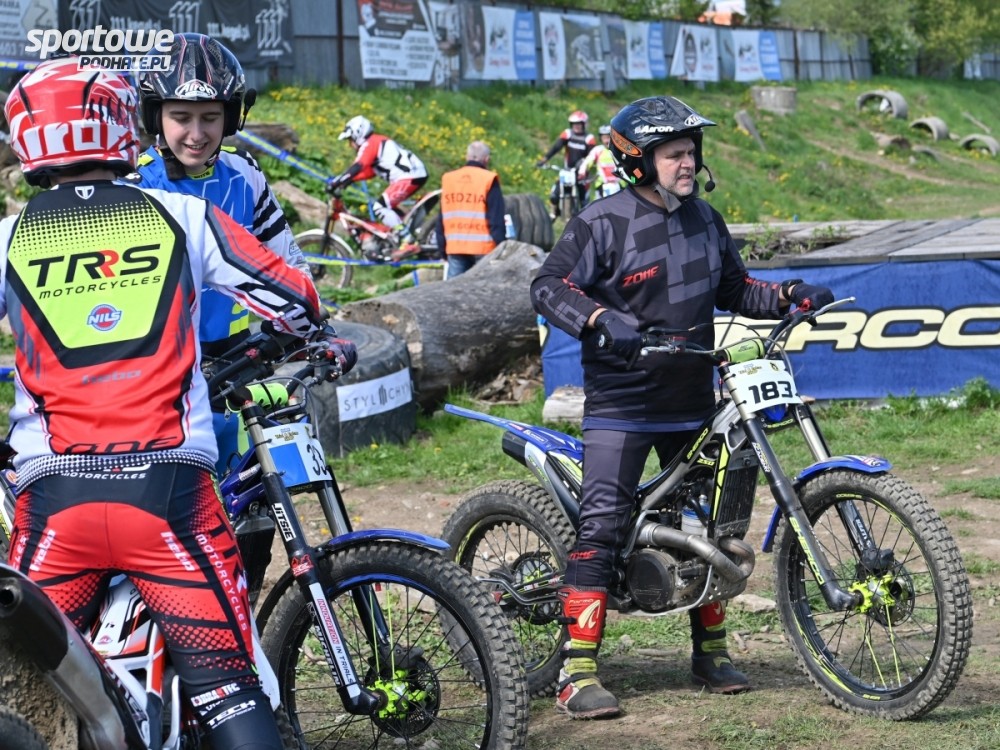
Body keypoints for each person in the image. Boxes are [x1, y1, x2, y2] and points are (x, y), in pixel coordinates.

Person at [1, 58, 356, 747]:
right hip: (168, 498)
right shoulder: (185, 216)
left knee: (29, 680)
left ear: (28, 141)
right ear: (125, 126)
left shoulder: (9, 237)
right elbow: (297, 298)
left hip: (54, 503)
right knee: (228, 688)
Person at [530, 95, 833, 720]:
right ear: (638, 161)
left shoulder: (705, 220)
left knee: (710, 526)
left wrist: (789, 294)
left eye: (691, 151)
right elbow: (547, 286)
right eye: (673, 153)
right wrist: (598, 318)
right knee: (602, 528)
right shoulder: (601, 222)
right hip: (622, 403)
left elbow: (737, 290)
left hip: (693, 399)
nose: (688, 162)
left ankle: (710, 653)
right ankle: (576, 672)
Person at [135, 32, 316, 475]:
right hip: (158, 371)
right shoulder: (133, 186)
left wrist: (313, 327)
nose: (197, 134)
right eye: (181, 117)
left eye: (211, 118)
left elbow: (288, 261)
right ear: (155, 116)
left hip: (235, 360)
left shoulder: (244, 174)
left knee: (253, 492)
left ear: (231, 117)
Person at [327, 115, 429, 258]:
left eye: (351, 140)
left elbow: (358, 166)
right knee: (388, 206)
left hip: (409, 176)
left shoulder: (370, 143)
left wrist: (338, 181)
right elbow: (368, 172)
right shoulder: (376, 143)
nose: (350, 145)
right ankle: (403, 232)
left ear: (358, 135)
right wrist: (346, 182)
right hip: (413, 175)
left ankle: (408, 240)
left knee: (380, 207)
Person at [437, 140, 506, 278]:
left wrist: (442, 248)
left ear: (466, 157)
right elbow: (495, 218)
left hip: (455, 247)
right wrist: (502, 247)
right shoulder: (488, 179)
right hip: (484, 249)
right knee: (485, 288)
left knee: (454, 289)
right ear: (487, 159)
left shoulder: (449, 179)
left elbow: (441, 217)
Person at [535, 110, 596, 218]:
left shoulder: (589, 138)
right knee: (554, 195)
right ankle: (553, 214)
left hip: (581, 173)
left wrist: (585, 167)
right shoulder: (567, 134)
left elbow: (592, 156)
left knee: (584, 201)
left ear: (584, 124)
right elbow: (556, 148)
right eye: (574, 124)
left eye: (579, 124)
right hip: (567, 170)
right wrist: (544, 159)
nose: (576, 126)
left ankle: (585, 221)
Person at [577, 125, 625, 202]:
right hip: (601, 185)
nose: (606, 141)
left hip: (620, 184)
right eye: (604, 138)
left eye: (608, 137)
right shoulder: (597, 150)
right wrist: (582, 171)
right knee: (597, 206)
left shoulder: (621, 150)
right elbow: (588, 161)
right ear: (600, 138)